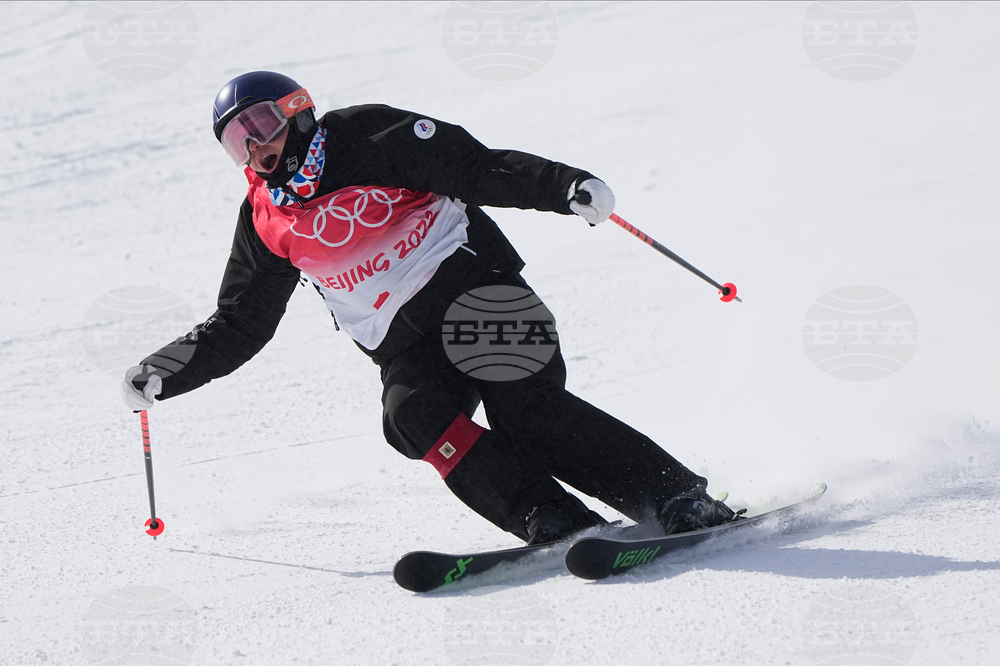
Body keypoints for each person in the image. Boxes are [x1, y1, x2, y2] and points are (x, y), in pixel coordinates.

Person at [121, 71, 739, 545]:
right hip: (406, 345)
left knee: (523, 409)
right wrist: (164, 370)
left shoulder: (367, 136)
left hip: (476, 289)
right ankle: (549, 517)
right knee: (411, 416)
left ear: (297, 108)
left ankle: (677, 498)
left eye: (260, 123)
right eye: (236, 140)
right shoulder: (265, 219)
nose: (255, 145)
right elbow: (240, 322)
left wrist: (561, 185)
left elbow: (475, 168)